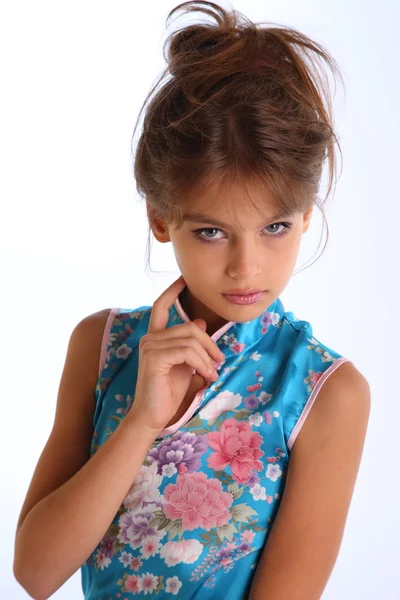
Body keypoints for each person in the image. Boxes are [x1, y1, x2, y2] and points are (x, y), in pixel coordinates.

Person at [13, 2, 371, 599]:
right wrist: (141, 422)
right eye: (211, 231)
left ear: (307, 213)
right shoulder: (102, 346)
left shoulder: (323, 393)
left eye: (275, 227)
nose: (246, 267)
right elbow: (36, 573)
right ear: (160, 217)